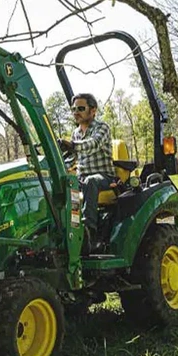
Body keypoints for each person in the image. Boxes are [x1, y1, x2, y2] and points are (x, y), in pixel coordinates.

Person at [58, 93, 115, 252]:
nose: (76, 112)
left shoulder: (102, 128)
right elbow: (73, 157)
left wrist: (72, 145)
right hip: (82, 177)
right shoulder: (76, 133)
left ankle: (90, 234)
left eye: (81, 108)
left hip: (104, 177)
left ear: (93, 110)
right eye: (74, 109)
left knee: (91, 181)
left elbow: (93, 144)